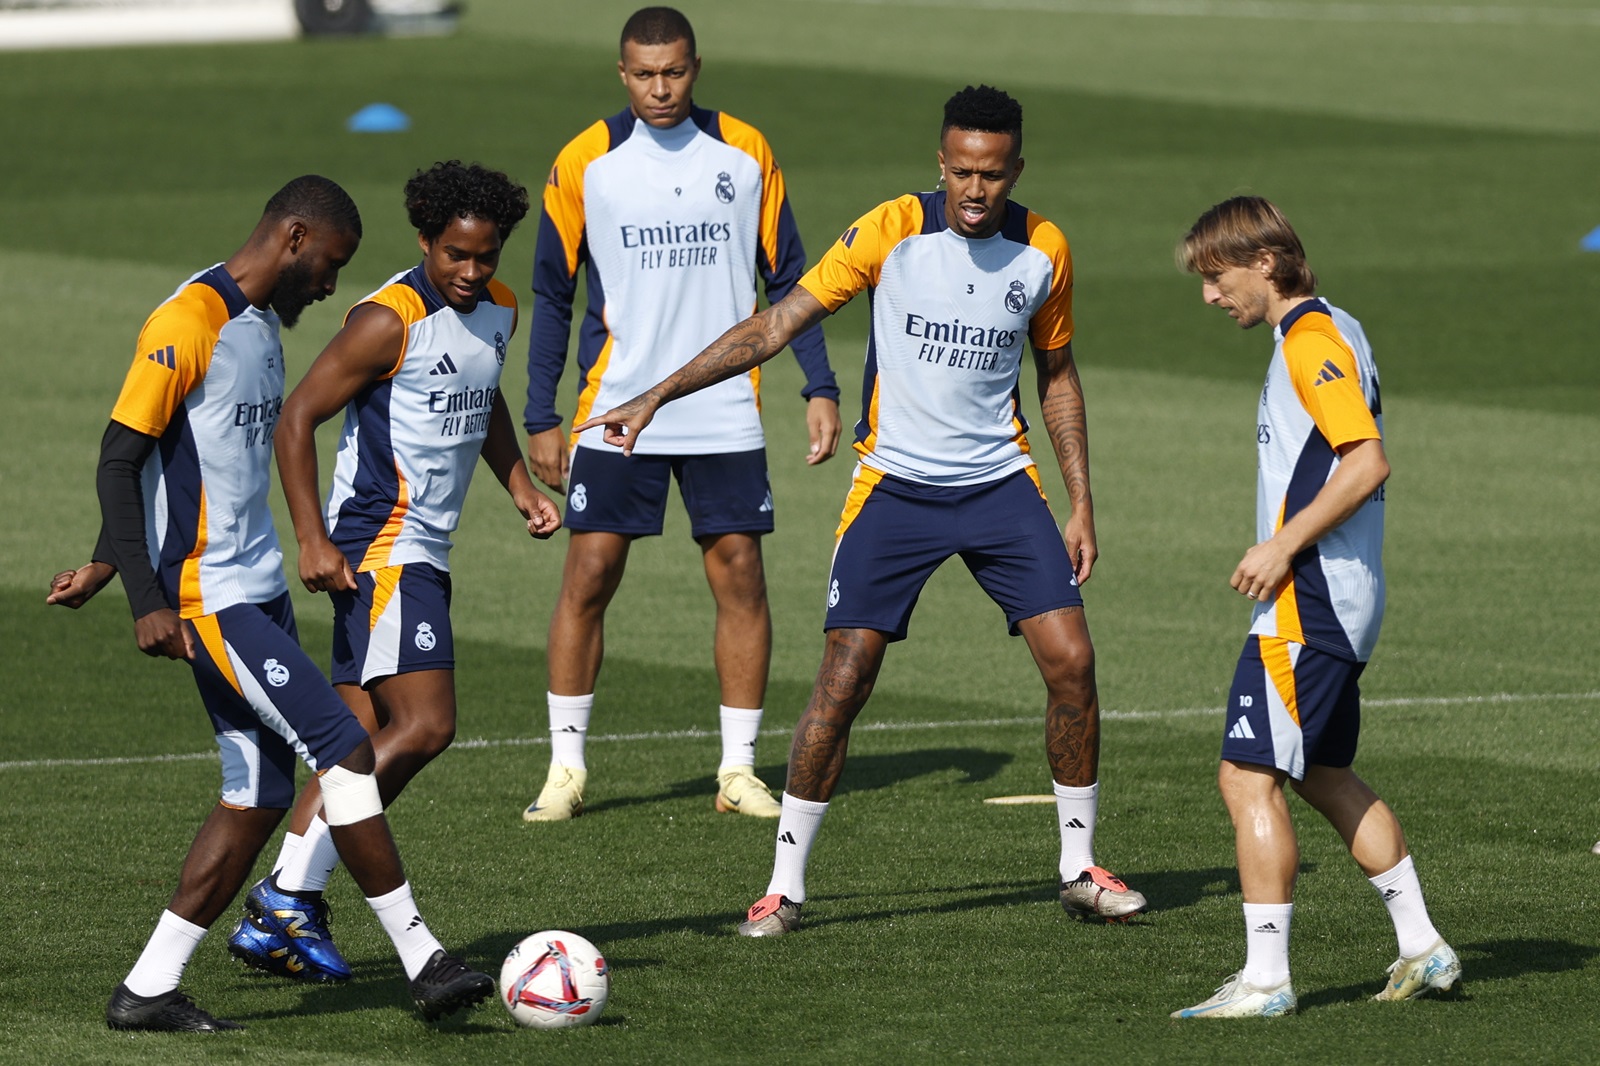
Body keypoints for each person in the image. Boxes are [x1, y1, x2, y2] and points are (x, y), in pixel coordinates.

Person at [574, 85, 1147, 935]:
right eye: (961, 171)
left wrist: (1082, 504)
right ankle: (784, 887)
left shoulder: (1044, 250)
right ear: (940, 164)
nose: (976, 189)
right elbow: (775, 326)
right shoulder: (889, 230)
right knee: (844, 680)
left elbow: (1058, 376)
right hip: (895, 490)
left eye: (992, 173)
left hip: (1000, 486)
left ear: (1016, 169)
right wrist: (655, 395)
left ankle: (1079, 867)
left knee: (1073, 662)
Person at [45, 176, 497, 1031]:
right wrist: (142, 594)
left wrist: (106, 561)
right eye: (328, 266)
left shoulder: (258, 325)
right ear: (293, 238)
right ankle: (423, 958)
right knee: (344, 746)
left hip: (258, 589)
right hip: (209, 598)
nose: (330, 286)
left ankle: (146, 990)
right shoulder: (187, 324)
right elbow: (121, 456)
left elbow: (189, 463)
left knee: (255, 797)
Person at [219, 162, 562, 983]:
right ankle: (289, 895)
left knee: (356, 747)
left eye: (485, 257)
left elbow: (483, 399)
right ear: (426, 243)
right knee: (427, 726)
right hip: (382, 548)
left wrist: (519, 485)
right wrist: (311, 537)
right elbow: (297, 417)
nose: (472, 273)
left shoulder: (500, 312)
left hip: (425, 551)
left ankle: (278, 917)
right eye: (455, 257)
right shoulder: (386, 320)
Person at [519, 5, 841, 823]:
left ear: (696, 67)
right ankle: (565, 770)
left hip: (726, 406)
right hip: (615, 407)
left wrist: (819, 385)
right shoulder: (585, 160)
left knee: (740, 574)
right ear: (621, 74)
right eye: (644, 74)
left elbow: (792, 278)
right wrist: (541, 414)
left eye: (675, 72)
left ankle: (737, 771)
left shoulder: (745, 149)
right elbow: (553, 294)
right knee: (590, 574)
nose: (660, 88)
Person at [1169, 196, 1459, 1018]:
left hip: (1313, 601)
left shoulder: (1313, 342)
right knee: (1324, 774)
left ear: (1265, 261)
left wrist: (1281, 543)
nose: (1209, 295)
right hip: (1343, 596)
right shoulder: (1337, 326)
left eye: (1217, 276)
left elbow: (1367, 462)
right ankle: (1423, 947)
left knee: (1245, 774)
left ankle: (1265, 982)